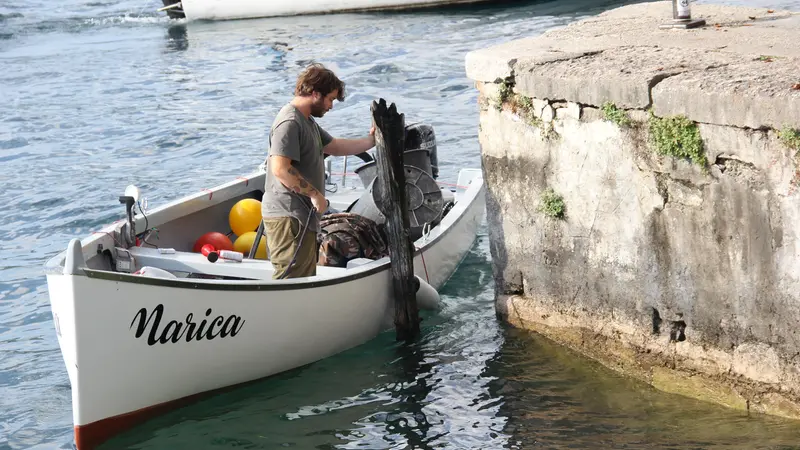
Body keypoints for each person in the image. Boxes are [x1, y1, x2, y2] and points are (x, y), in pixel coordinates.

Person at [261, 63, 375, 279]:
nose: (331, 106)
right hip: (288, 216)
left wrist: (372, 140)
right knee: (290, 280)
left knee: (303, 276)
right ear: (314, 93)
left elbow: (336, 146)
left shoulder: (307, 121)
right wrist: (314, 194)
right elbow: (280, 169)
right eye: (330, 99)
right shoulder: (289, 122)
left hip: (301, 217)